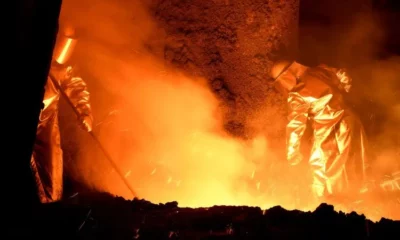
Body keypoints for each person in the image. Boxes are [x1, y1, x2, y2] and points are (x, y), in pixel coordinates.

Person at [270, 60, 369, 199]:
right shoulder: (320, 70)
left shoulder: (298, 94)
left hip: (332, 129)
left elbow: (295, 125)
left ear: (286, 76)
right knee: (354, 163)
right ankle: (362, 199)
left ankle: (330, 207)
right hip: (351, 120)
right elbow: (343, 75)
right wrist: (345, 89)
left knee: (322, 167)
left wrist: (292, 154)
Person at [30, 27, 94, 203]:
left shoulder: (62, 68)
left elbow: (76, 86)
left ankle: (50, 207)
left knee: (52, 173)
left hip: (47, 122)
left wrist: (84, 112)